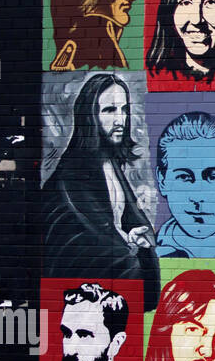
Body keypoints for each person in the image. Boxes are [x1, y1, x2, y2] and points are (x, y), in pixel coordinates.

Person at [43, 74, 160, 312]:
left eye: (124, 109)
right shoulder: (73, 173)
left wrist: (138, 244)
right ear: (90, 117)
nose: (120, 120)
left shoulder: (109, 163)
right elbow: (85, 241)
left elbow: (120, 226)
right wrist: (128, 246)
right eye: (109, 110)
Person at [155, 112, 215, 260]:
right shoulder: (145, 258)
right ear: (162, 181)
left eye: (213, 177)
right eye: (184, 177)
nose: (198, 197)